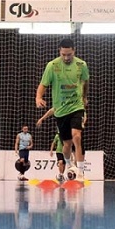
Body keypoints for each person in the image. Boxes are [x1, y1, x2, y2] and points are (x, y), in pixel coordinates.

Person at [36, 38, 89, 181]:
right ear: (60, 52)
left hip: (76, 106)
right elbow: (43, 85)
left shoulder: (81, 65)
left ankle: (81, 173)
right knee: (66, 144)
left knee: (77, 136)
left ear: (74, 51)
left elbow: (85, 83)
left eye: (69, 54)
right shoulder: (52, 66)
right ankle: (69, 163)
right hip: (60, 111)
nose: (66, 58)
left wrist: (84, 98)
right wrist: (38, 98)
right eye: (63, 54)